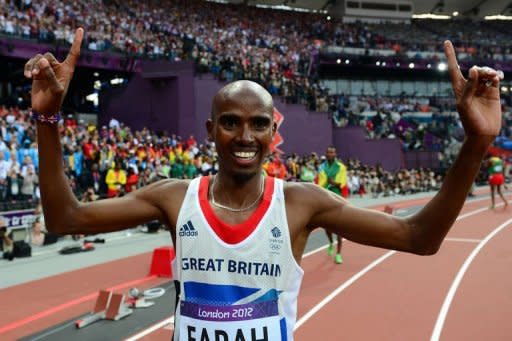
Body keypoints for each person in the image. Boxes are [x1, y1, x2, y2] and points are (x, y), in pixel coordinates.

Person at [25, 28, 504, 340]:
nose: (245, 136)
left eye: (258, 124)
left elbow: (419, 238)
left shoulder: (299, 203)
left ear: (274, 135)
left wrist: (476, 144)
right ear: (210, 132)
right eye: (230, 123)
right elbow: (66, 218)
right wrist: (47, 118)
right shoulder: (175, 197)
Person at [317, 146, 347, 264]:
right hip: (325, 198)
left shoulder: (341, 167)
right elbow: (321, 183)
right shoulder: (321, 167)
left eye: (332, 152)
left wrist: (332, 182)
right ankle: (330, 243)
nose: (330, 154)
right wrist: (330, 182)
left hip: (337, 198)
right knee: (327, 226)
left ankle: (338, 254)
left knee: (339, 227)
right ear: (326, 154)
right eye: (328, 152)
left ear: (335, 154)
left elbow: (341, 184)